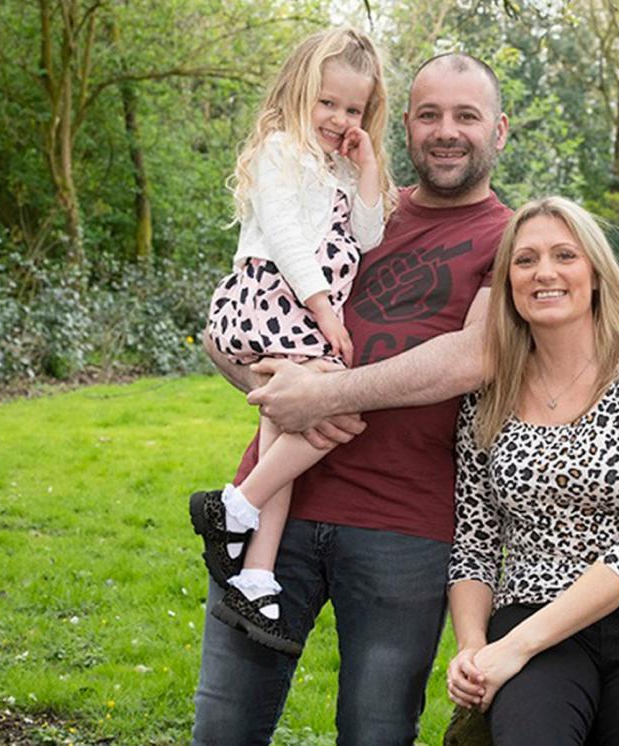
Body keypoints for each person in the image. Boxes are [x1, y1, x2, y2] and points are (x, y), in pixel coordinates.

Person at [191, 51, 512, 745]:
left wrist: (324, 397)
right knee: (223, 724)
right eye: (428, 115)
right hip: (271, 501)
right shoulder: (345, 200)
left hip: (404, 526)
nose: (446, 130)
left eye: (466, 116)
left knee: (375, 731)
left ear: (499, 131)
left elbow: (473, 355)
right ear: (402, 125)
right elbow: (226, 329)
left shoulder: (510, 237)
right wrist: (274, 393)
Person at [444, 196, 619, 746]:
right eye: (525, 260)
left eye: (564, 255)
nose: (544, 272)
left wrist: (513, 648)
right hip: (530, 609)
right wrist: (474, 647)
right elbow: (475, 539)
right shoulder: (486, 396)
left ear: (595, 273)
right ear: (509, 283)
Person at [189, 26, 390, 658]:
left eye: (353, 109)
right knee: (334, 404)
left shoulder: (337, 165)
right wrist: (325, 312)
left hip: (301, 309)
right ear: (299, 92)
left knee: (285, 423)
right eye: (326, 103)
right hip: (272, 297)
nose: (338, 118)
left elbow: (370, 236)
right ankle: (236, 503)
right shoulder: (281, 150)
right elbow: (283, 237)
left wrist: (367, 165)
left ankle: (255, 571)